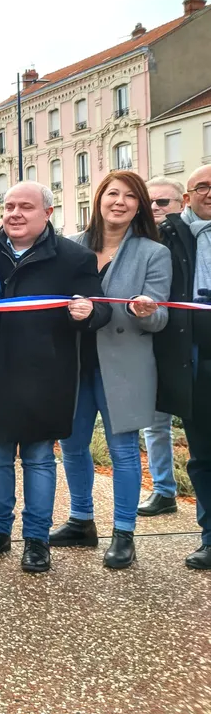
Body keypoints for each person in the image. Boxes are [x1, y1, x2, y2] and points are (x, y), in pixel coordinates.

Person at [0, 182, 110, 573]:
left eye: (25, 207)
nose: (14, 213)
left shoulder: (74, 257)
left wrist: (88, 312)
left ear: (48, 213)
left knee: (38, 459)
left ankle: (36, 540)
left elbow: (100, 308)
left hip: (45, 375)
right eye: (8, 206)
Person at [52, 171, 170, 569]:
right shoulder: (70, 246)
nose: (120, 202)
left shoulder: (153, 253)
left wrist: (145, 311)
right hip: (75, 362)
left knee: (123, 451)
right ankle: (81, 521)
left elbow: (161, 318)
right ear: (99, 199)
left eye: (130, 196)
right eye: (112, 193)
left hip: (123, 364)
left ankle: (124, 533)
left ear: (139, 207)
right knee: (72, 444)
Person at [155, 163, 211, 569]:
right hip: (195, 362)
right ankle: (210, 537)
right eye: (202, 187)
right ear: (188, 197)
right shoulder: (170, 236)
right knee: (203, 456)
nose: (210, 192)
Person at [138, 177, 186, 517]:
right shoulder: (139, 240)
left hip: (190, 343)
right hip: (151, 341)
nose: (155, 208)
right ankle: (164, 490)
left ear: (182, 203)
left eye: (163, 202)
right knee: (155, 422)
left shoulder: (192, 239)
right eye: (150, 202)